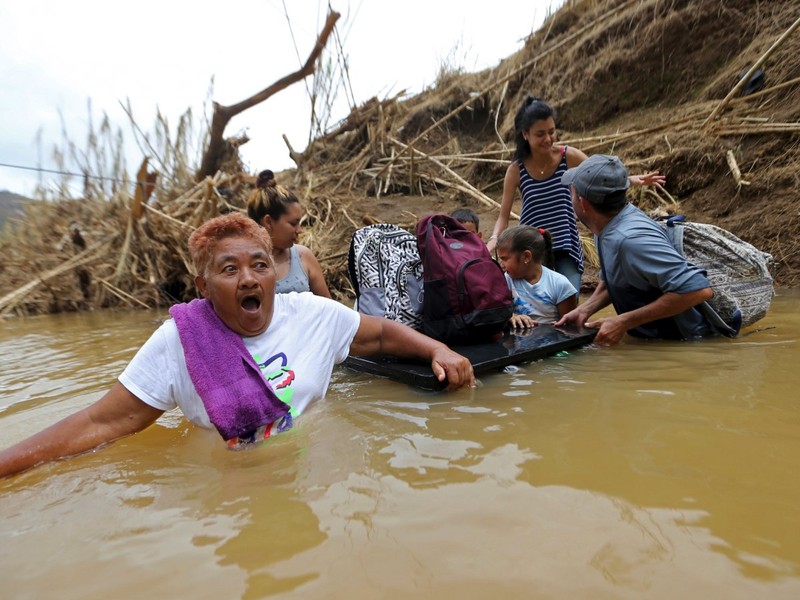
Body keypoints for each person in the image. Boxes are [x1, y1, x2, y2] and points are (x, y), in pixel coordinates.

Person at [0, 213, 474, 478]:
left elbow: (379, 332)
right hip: (230, 483)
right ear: (203, 285)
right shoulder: (178, 342)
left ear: (274, 272)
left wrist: (437, 350)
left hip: (316, 466)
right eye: (229, 269)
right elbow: (100, 421)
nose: (248, 278)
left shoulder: (310, 314)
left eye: (259, 264)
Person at [487, 96, 665, 293]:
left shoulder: (567, 156)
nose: (548, 139)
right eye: (540, 134)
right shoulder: (516, 170)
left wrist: (630, 180)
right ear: (525, 134)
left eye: (551, 132)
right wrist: (494, 238)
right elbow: (503, 217)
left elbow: (599, 176)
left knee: (569, 298)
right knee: (538, 305)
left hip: (566, 242)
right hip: (532, 248)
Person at [554, 154, 714, 345]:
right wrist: (585, 310)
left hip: (684, 344)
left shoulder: (630, 241)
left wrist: (623, 321)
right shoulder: (604, 227)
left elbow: (698, 289)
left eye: (571, 192)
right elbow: (616, 278)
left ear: (583, 203)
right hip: (655, 341)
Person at [247, 169, 331, 297]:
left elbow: (329, 310)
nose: (299, 230)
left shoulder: (303, 256)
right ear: (268, 222)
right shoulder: (244, 264)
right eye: (293, 224)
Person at [496, 225, 577, 328]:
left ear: (526, 256)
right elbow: (498, 311)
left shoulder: (560, 284)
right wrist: (511, 316)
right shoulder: (506, 280)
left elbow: (571, 328)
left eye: (505, 259)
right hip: (518, 341)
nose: (501, 264)